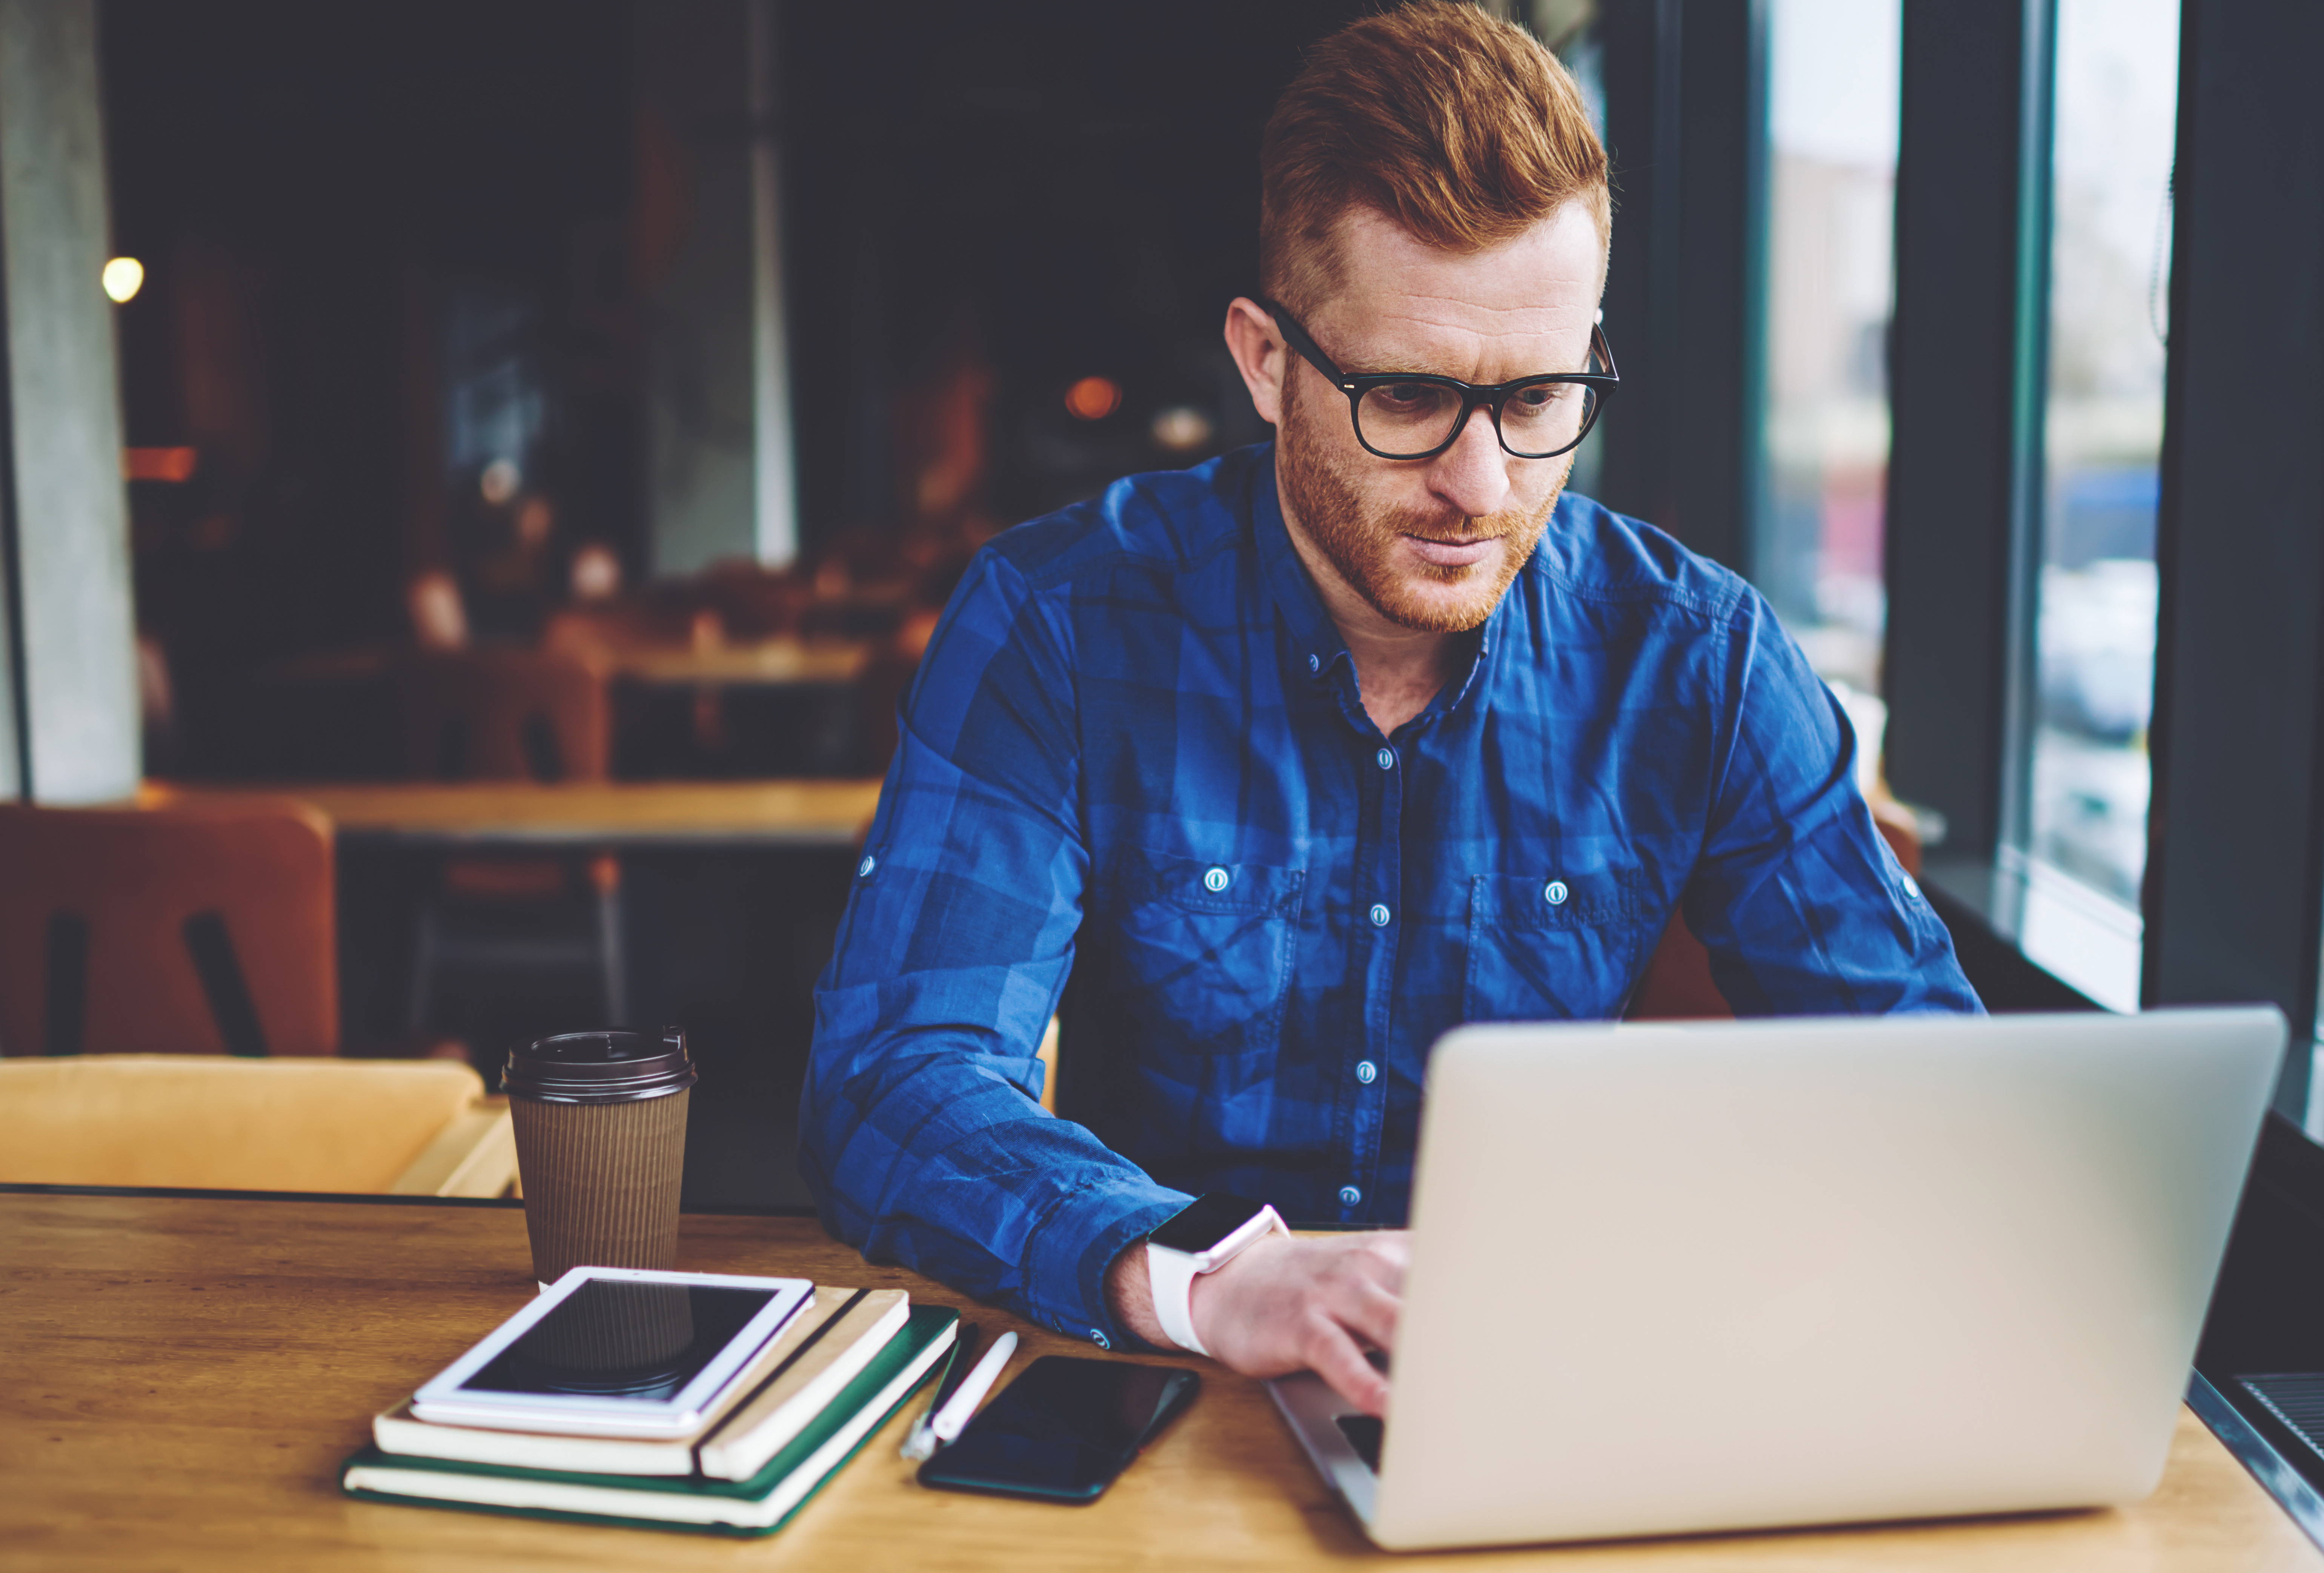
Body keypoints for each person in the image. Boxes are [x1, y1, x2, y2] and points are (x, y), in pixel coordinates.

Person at [801, 1, 1978, 1421]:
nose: (1480, 485)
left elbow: (1927, 1095)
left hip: (1544, 1399)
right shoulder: (1059, 623)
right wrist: (1211, 1274)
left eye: (1540, 396)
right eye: (1409, 397)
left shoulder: (1700, 658)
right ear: (1266, 359)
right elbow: (896, 1081)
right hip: (1170, 1388)